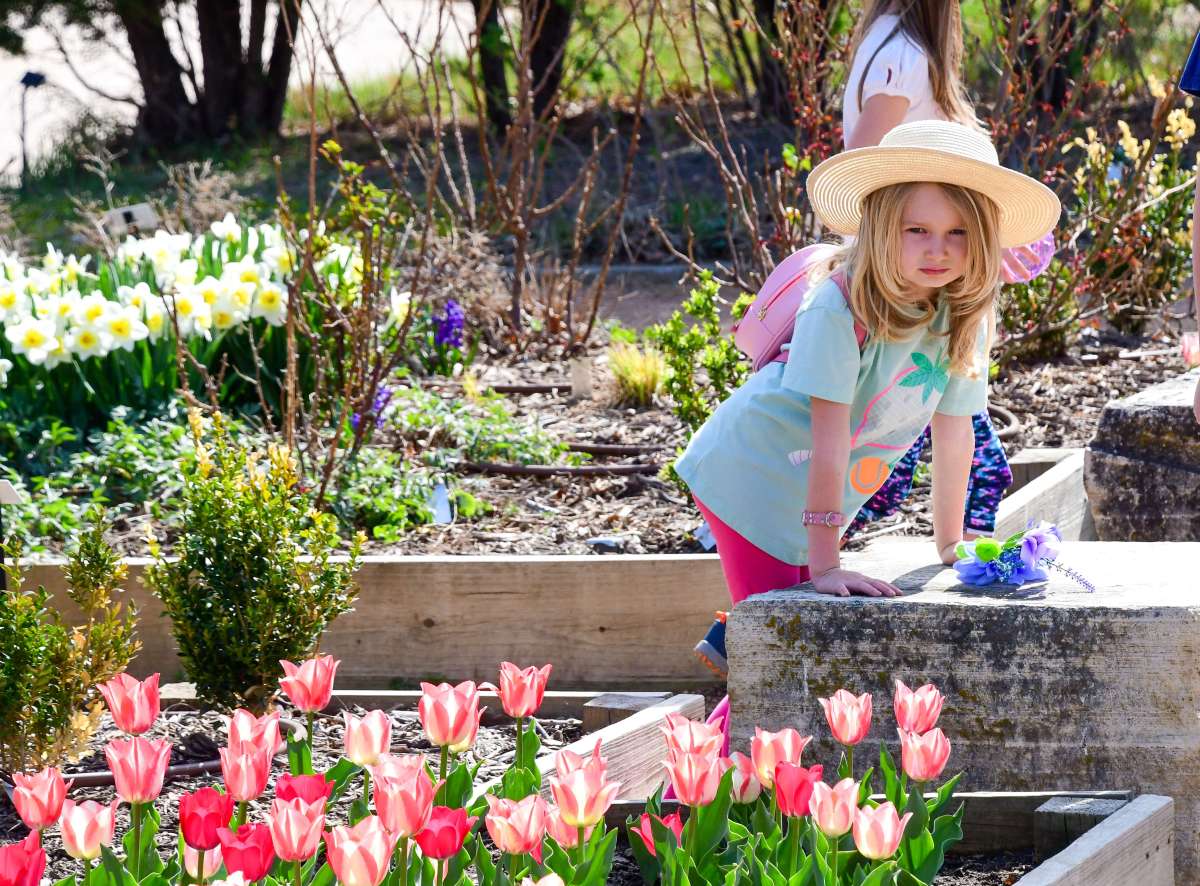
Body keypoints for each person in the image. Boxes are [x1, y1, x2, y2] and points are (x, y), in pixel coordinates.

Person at [692, 2, 1056, 679]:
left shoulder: (962, 312)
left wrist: (954, 545)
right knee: (786, 653)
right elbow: (827, 437)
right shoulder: (841, 305)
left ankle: (744, 712)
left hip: (803, 489)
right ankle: (712, 771)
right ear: (883, 227)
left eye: (957, 234)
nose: (938, 251)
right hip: (751, 475)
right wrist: (827, 563)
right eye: (918, 230)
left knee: (794, 637)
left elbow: (956, 430)